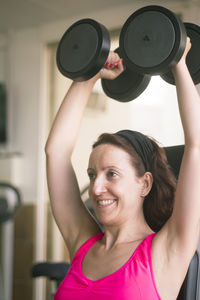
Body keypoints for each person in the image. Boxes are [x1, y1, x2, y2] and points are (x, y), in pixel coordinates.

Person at [45, 37, 200, 300]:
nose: (96, 187)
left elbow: (196, 147)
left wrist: (179, 63)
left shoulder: (167, 250)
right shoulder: (83, 243)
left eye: (111, 174)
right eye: (92, 174)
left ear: (145, 183)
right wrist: (88, 77)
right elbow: (56, 153)